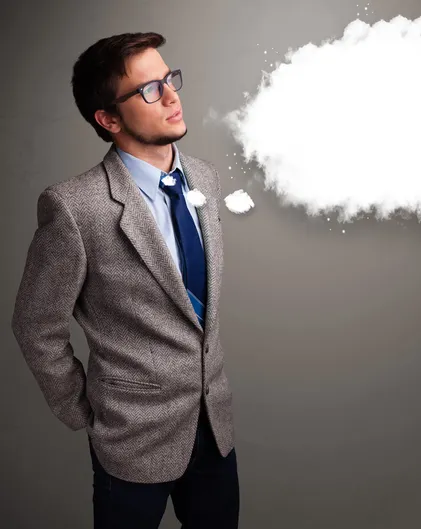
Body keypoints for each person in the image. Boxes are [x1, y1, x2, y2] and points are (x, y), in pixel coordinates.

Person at [11, 31, 239, 528]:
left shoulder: (207, 179)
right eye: (149, 90)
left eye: (168, 79)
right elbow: (35, 324)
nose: (172, 95)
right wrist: (83, 411)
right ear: (109, 118)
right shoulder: (74, 207)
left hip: (214, 427)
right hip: (130, 439)